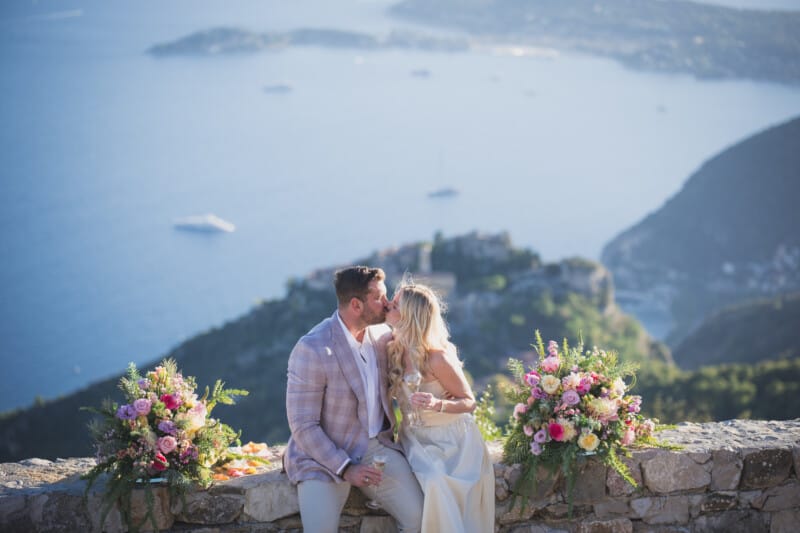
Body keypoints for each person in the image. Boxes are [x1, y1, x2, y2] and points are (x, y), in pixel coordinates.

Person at [283, 266, 424, 533]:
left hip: (375, 449)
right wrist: (346, 468)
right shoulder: (312, 348)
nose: (387, 303)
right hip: (322, 456)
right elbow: (303, 426)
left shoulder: (382, 336)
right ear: (356, 305)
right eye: (379, 298)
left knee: (419, 518)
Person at [382, 282, 495, 533]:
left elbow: (469, 402)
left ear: (410, 316)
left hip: (453, 442)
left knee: (434, 481)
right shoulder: (391, 348)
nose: (388, 304)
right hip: (414, 438)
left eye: (396, 304)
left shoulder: (437, 358)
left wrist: (437, 403)